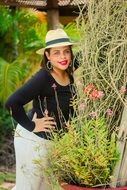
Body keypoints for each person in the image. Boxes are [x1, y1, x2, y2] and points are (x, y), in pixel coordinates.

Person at [5, 28, 77, 190]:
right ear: (47, 55)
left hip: (52, 142)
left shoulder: (67, 71)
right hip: (32, 139)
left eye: (66, 51)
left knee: (45, 187)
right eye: (56, 53)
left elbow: (94, 53)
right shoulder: (43, 77)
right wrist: (32, 126)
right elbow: (12, 103)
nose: (63, 57)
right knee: (29, 187)